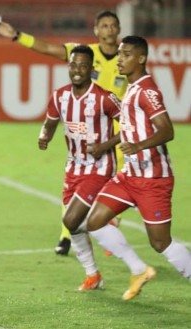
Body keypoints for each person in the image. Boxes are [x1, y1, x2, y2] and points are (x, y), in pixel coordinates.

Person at [0, 10, 126, 256]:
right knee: (75, 181)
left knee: (120, 185)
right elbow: (47, 49)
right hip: (85, 133)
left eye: (113, 25)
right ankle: (67, 236)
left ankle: (107, 226)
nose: (109, 30)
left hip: (116, 135)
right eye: (104, 25)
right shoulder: (84, 53)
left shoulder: (126, 58)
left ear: (119, 29)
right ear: (96, 30)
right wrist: (16, 36)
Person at [86, 36, 191, 300]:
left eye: (127, 55)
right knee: (95, 222)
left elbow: (167, 130)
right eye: (120, 54)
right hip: (129, 177)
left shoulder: (147, 91)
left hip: (153, 179)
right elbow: (131, 128)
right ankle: (138, 269)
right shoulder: (131, 88)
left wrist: (140, 146)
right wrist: (106, 145)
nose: (120, 59)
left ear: (141, 58)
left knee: (160, 243)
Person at [38, 45, 137, 291]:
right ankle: (93, 274)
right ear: (68, 67)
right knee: (73, 224)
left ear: (91, 69)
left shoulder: (104, 97)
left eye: (83, 66)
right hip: (73, 167)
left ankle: (135, 264)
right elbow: (49, 123)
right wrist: (44, 137)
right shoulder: (60, 96)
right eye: (74, 65)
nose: (77, 70)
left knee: (70, 218)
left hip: (100, 167)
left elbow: (131, 126)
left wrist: (105, 145)